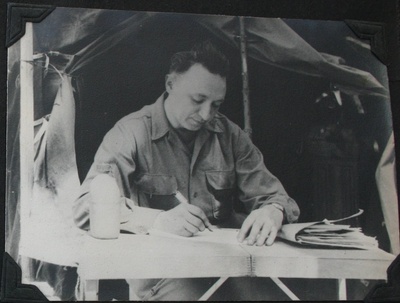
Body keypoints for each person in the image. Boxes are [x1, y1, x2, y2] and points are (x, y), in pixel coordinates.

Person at [73, 41, 300, 300]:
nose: (206, 114)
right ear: (170, 84)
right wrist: (157, 221)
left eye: (216, 105)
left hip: (226, 269)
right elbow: (84, 209)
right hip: (161, 272)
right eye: (198, 100)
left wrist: (273, 211)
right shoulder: (130, 133)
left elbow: (276, 197)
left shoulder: (230, 136)